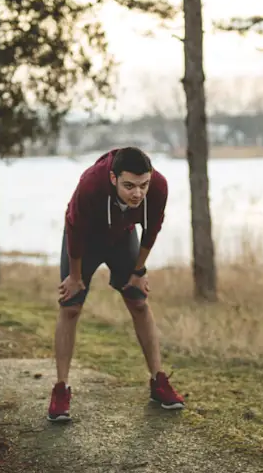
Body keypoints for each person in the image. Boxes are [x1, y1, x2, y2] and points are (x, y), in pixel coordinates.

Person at [47, 147, 185, 422]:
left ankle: (158, 381)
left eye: (143, 185)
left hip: (122, 237)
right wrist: (75, 278)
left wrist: (139, 271)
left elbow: (152, 228)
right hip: (84, 240)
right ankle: (61, 389)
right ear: (113, 178)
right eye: (129, 186)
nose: (138, 193)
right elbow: (74, 228)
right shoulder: (91, 183)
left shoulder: (158, 187)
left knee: (138, 300)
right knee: (70, 306)